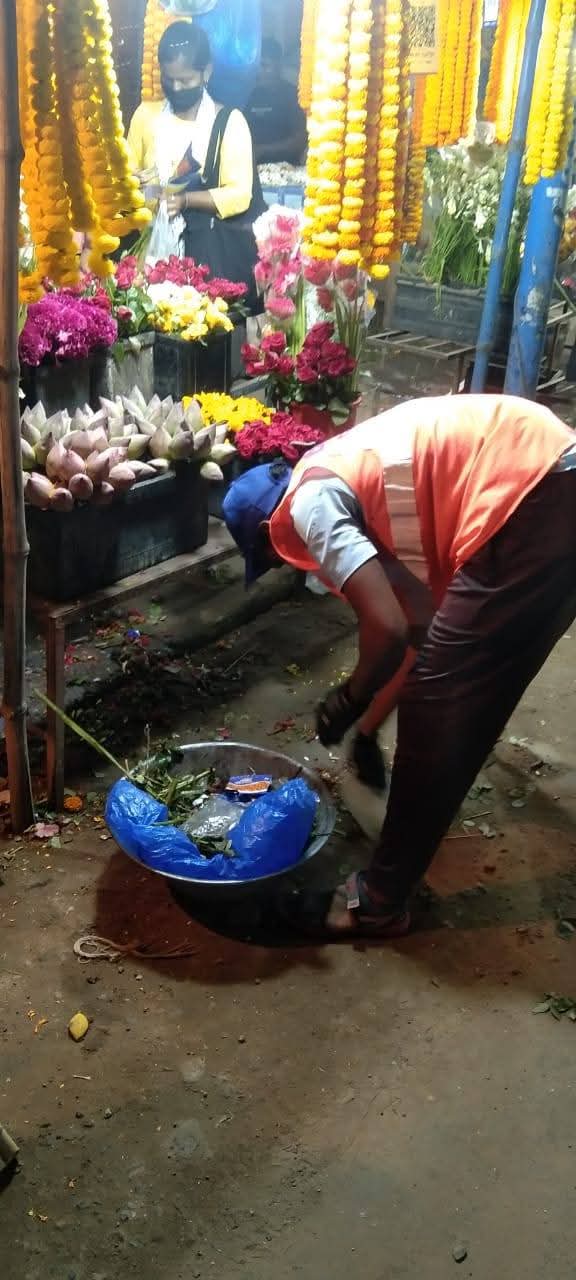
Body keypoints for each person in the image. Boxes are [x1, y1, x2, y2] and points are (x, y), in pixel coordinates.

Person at [222, 393, 576, 940]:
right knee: (452, 689)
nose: (284, 566)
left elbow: (386, 631)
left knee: (442, 710)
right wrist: (366, 730)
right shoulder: (351, 480)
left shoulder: (310, 503)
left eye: (270, 559)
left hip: (532, 492)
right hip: (547, 473)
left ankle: (377, 904)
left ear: (272, 530)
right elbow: (421, 630)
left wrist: (350, 697)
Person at [127, 22, 264, 310]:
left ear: (207, 72)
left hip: (204, 267)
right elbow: (125, 182)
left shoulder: (228, 122)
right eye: (169, 79)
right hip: (148, 260)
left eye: (185, 80)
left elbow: (240, 194)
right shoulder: (145, 116)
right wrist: (134, 184)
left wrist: (186, 200)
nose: (176, 87)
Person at [245, 38, 307, 165]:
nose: (260, 71)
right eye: (257, 66)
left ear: (279, 66)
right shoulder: (251, 95)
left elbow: (300, 140)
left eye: (265, 66)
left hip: (285, 168)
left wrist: (263, 150)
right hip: (253, 167)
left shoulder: (291, 96)